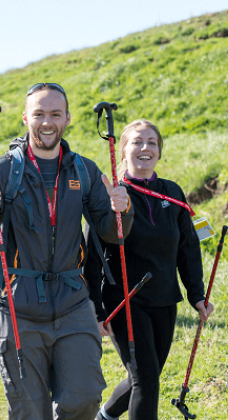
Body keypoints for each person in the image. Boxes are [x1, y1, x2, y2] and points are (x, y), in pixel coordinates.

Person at [0, 83, 134, 420]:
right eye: (39, 114)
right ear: (26, 118)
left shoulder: (84, 170)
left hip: (72, 303)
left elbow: (113, 234)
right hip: (16, 306)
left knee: (83, 398)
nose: (47, 122)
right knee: (29, 412)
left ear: (67, 118)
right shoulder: (3, 170)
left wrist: (122, 211)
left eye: (55, 114)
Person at [90, 119, 214, 420]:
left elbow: (188, 247)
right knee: (145, 380)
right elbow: (92, 256)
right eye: (137, 142)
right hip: (124, 303)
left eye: (152, 143)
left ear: (159, 151)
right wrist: (97, 311)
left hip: (165, 299)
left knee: (147, 377)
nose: (145, 148)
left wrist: (196, 294)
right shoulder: (113, 196)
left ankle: (104, 416)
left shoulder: (172, 193)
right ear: (123, 150)